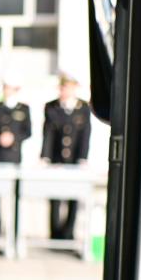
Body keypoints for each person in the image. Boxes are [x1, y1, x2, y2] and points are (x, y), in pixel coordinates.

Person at [41, 72, 92, 240]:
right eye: (63, 87)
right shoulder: (52, 107)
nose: (65, 91)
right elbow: (48, 133)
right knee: (55, 197)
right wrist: (45, 157)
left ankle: (68, 232)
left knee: (73, 197)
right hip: (57, 158)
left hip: (74, 159)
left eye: (69, 87)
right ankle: (54, 233)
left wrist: (83, 158)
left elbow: (85, 134)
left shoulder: (83, 107)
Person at [0, 75, 31, 238]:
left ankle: (14, 229)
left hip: (13, 155)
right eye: (5, 87)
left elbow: (28, 131)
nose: (6, 90)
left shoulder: (23, 108)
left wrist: (14, 138)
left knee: (14, 195)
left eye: (9, 87)